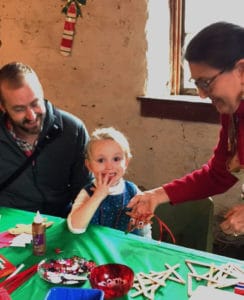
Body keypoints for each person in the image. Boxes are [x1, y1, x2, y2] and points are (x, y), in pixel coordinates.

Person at [127, 22, 244, 239]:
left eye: (206, 82)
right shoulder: (233, 113)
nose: (201, 94)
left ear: (241, 71)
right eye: (196, 83)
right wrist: (157, 195)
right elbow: (219, 175)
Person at [0, 62, 92, 217]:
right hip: (9, 223)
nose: (31, 116)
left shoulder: (73, 129)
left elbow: (85, 189)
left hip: (58, 222)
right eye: (19, 109)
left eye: (35, 103)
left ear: (42, 92)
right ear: (3, 107)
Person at [67, 127, 152, 238]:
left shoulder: (133, 190)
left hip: (124, 249)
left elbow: (145, 230)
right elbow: (75, 228)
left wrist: (142, 218)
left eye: (116, 159)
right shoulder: (88, 193)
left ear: (126, 162)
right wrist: (97, 196)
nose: (109, 166)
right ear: (89, 165)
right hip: (95, 250)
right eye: (101, 160)